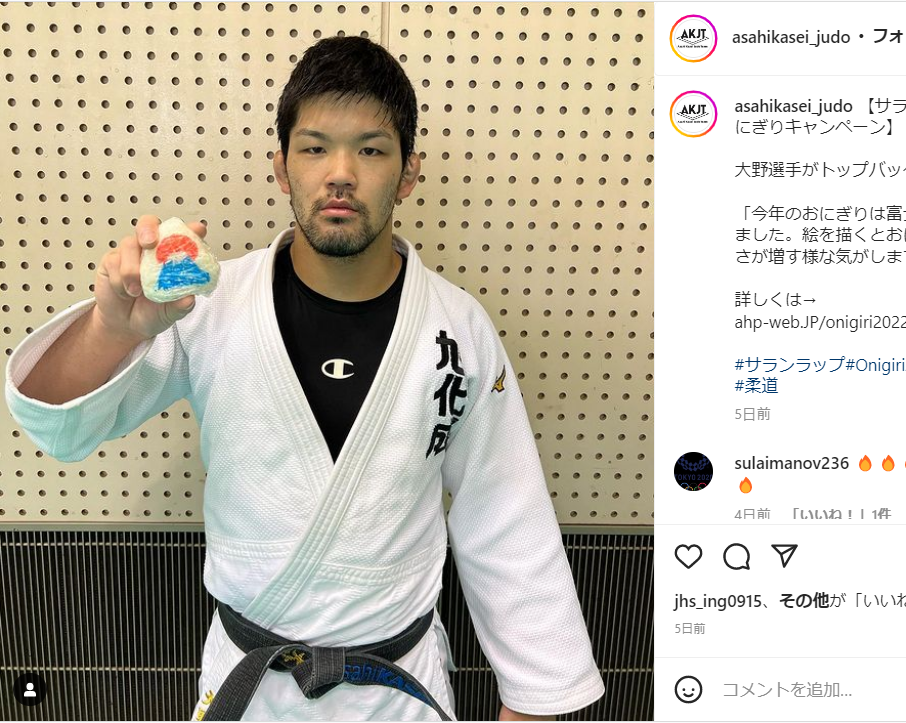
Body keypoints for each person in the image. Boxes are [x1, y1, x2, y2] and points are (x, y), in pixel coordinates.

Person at [5, 35, 604, 721]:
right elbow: (59, 424)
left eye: (371, 150)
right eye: (315, 148)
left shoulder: (457, 328)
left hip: (396, 690)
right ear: (281, 168)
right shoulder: (208, 304)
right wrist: (113, 328)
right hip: (250, 686)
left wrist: (534, 702)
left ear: (408, 172)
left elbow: (503, 512)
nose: (340, 174)